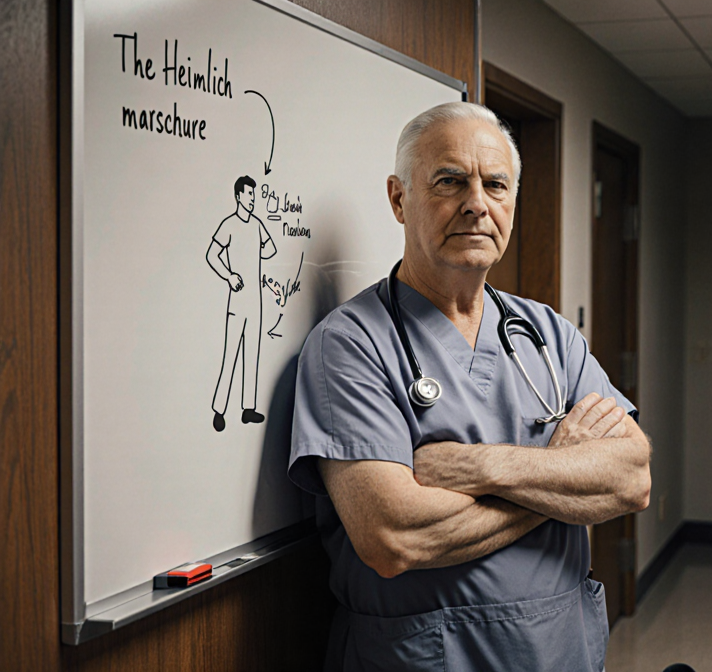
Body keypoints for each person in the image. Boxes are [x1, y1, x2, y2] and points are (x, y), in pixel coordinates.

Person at [287, 102, 652, 671]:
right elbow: (393, 538)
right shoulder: (351, 344)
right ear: (399, 199)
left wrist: (482, 468)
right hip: (428, 657)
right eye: (450, 181)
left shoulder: (548, 334)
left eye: (495, 184)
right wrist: (561, 485)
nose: (476, 203)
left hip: (562, 651)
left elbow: (631, 477)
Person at [207, 175, 276, 432]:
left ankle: (248, 408)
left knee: (252, 355)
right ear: (238, 197)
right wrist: (229, 274)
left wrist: (259, 247)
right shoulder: (229, 225)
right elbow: (211, 254)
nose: (252, 199)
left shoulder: (256, 225)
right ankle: (219, 409)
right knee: (231, 355)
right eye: (249, 195)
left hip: (255, 301)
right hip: (238, 299)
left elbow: (270, 249)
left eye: (254, 195)